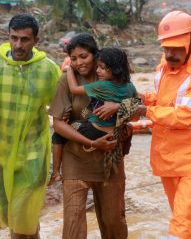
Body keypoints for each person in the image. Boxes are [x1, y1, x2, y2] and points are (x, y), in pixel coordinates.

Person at [48, 33, 132, 239]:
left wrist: (118, 107)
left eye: (84, 56)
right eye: (74, 58)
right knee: (73, 224)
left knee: (114, 221)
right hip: (76, 159)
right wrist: (91, 142)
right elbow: (58, 123)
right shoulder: (66, 81)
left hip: (110, 160)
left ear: (96, 55)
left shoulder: (113, 78)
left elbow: (138, 106)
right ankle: (57, 172)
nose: (79, 63)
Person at [134, 10, 191, 239]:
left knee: (181, 223)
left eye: (177, 48)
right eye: (166, 48)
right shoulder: (164, 67)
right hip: (169, 160)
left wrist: (145, 110)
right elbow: (164, 98)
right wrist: (143, 98)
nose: (170, 54)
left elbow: (186, 115)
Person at [0, 13, 61, 238]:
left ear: (37, 40)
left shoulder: (48, 70)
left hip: (32, 156)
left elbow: (65, 109)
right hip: (1, 154)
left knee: (23, 216)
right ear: (8, 37)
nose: (18, 45)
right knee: (15, 218)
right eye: (14, 38)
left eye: (25, 39)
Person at [48, 47, 137, 185]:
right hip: (115, 133)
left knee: (60, 133)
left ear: (114, 69)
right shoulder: (129, 86)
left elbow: (74, 89)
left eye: (102, 68)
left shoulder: (102, 86)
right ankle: (126, 144)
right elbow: (137, 102)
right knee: (92, 106)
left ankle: (55, 173)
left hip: (95, 131)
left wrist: (69, 70)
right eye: (97, 67)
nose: (97, 71)